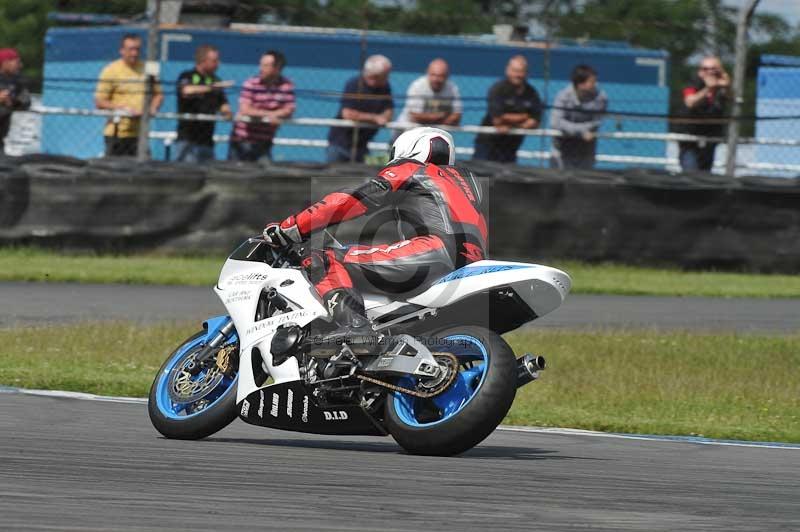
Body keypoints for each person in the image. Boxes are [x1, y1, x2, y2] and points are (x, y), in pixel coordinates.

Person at [263, 127, 486, 335]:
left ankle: (355, 328)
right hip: (472, 264)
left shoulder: (410, 169)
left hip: (433, 252)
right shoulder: (469, 184)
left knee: (321, 257)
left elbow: (353, 200)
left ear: (409, 147)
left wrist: (294, 226)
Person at [95, 34, 164, 157]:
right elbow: (99, 102)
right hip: (117, 133)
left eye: (137, 49)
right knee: (115, 171)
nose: (134, 53)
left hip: (140, 133)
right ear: (121, 50)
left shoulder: (149, 68)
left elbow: (158, 94)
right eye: (130, 49)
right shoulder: (110, 70)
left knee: (142, 171)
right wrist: (122, 109)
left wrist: (152, 108)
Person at [229, 50, 295, 162]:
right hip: (243, 140)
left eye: (265, 65)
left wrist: (275, 115)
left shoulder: (286, 85)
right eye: (261, 64)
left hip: (265, 141)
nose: (261, 68)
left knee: (263, 176)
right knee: (237, 175)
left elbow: (289, 109)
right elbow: (245, 109)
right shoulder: (251, 83)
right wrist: (270, 115)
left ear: (277, 68)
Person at [473, 55, 542, 164]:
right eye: (515, 71)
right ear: (508, 71)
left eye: (521, 71)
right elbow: (498, 120)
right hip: (488, 144)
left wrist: (510, 122)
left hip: (511, 147)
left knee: (505, 179)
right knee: (481, 178)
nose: (518, 75)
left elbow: (535, 121)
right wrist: (524, 117)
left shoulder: (531, 93)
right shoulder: (498, 90)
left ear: (526, 73)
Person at [327, 55, 394, 163]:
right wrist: (374, 118)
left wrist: (384, 117)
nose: (388, 77)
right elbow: (347, 113)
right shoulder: (354, 84)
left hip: (362, 145)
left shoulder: (385, 87)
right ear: (375, 75)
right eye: (386, 75)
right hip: (341, 143)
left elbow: (388, 111)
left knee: (358, 177)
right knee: (334, 177)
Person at [174, 44, 232, 163]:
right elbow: (186, 90)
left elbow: (223, 103)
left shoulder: (216, 80)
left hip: (207, 141)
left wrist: (227, 112)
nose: (218, 64)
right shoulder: (187, 76)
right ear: (203, 61)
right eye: (214, 61)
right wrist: (211, 88)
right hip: (188, 139)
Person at [550, 64, 608, 170]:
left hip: (586, 152)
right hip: (562, 150)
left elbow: (596, 122)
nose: (596, 85)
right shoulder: (563, 96)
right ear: (580, 84)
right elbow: (555, 122)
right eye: (592, 82)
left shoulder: (601, 98)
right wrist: (581, 132)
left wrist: (572, 129)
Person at [678, 56, 731, 172]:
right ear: (700, 71)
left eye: (714, 69)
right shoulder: (693, 82)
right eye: (705, 69)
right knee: (690, 172)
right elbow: (690, 102)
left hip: (710, 138)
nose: (709, 72)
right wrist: (708, 88)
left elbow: (730, 98)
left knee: (705, 174)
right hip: (690, 138)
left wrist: (726, 85)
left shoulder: (721, 87)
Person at [396, 58, 462, 129]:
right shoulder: (418, 86)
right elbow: (415, 117)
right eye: (433, 75)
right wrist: (441, 116)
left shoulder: (452, 89)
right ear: (427, 73)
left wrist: (431, 120)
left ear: (447, 76)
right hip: (407, 130)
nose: (436, 79)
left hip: (437, 131)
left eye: (440, 76)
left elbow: (456, 116)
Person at [0, 48, 30, 154]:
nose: (20, 65)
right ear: (5, 62)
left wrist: (12, 101)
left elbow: (26, 102)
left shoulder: (17, 80)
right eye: (16, 62)